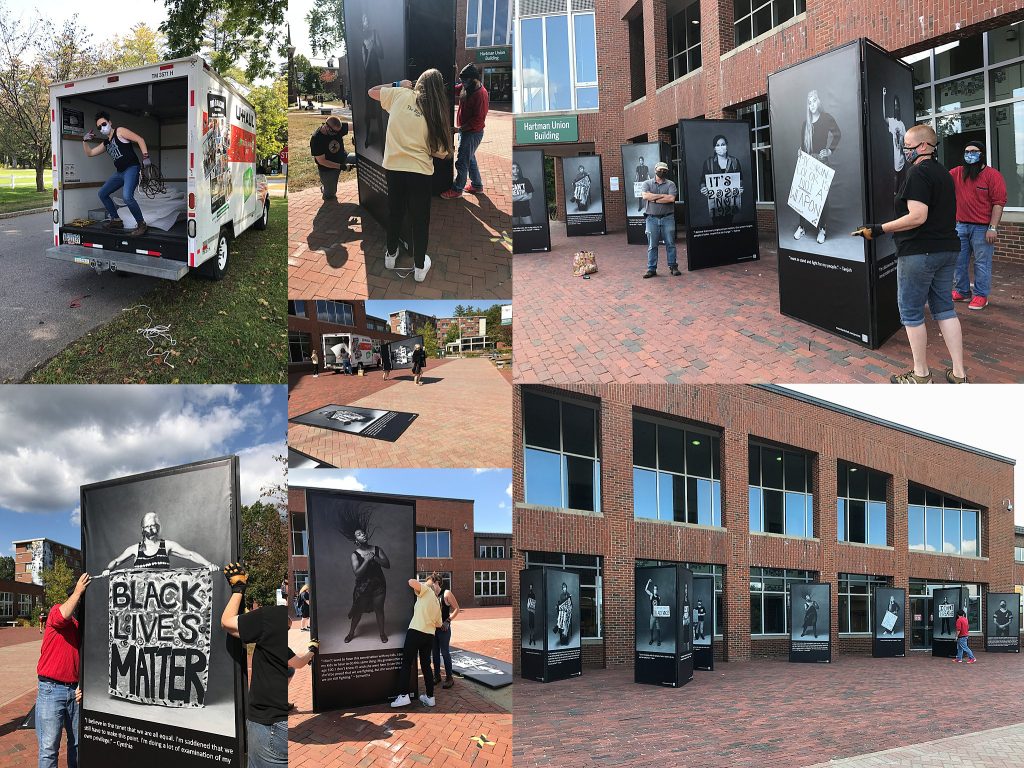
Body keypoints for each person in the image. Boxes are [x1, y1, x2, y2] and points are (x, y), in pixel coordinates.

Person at [853, 124, 967, 383]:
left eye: (907, 146)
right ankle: (959, 374)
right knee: (945, 310)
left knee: (912, 313)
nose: (904, 151)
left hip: (919, 253)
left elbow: (917, 216)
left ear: (924, 146)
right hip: (947, 250)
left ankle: (921, 375)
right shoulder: (944, 174)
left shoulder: (918, 174)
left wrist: (878, 229)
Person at [219, 563, 317, 768]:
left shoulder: (269, 616)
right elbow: (298, 663)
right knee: (288, 669)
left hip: (267, 725)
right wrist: (312, 649)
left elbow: (227, 622)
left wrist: (238, 590)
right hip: (279, 728)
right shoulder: (280, 625)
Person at [369, 70, 454, 283]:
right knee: (420, 219)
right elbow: (442, 152)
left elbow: (372, 92)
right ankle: (418, 267)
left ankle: (390, 255)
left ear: (419, 83)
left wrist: (398, 83)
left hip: (394, 168)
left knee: (395, 212)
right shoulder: (436, 112)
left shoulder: (400, 94)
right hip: (420, 172)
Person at [36, 573, 89, 768]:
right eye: (78, 601)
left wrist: (81, 684)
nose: (79, 607)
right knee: (49, 749)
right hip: (51, 690)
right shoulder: (56, 612)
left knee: (76, 744)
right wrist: (77, 592)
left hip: (74, 692)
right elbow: (64, 615)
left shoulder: (81, 627)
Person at [950, 139, 1007, 310]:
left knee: (982, 263)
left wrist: (993, 227)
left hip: (983, 228)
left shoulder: (993, 175)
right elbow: (940, 179)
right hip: (961, 226)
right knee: (958, 261)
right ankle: (962, 291)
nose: (970, 155)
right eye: (967, 152)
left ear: (982, 154)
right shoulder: (958, 173)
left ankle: (981, 295)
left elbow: (999, 203)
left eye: (974, 151)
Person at [82, 111, 150, 236]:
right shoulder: (106, 143)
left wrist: (145, 156)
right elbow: (90, 153)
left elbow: (140, 139)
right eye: (99, 127)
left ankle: (141, 224)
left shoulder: (120, 131)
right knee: (102, 193)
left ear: (110, 122)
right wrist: (84, 141)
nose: (102, 128)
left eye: (103, 124)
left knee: (127, 197)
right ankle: (116, 220)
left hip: (131, 168)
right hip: (120, 173)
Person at [794, 90, 841, 245]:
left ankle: (822, 228)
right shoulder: (805, 123)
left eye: (814, 101)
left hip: (821, 162)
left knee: (822, 197)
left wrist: (830, 150)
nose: (811, 104)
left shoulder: (827, 118)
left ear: (818, 102)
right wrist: (800, 151)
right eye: (809, 102)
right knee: (804, 195)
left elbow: (837, 134)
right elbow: (802, 145)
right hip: (807, 162)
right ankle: (802, 226)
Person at [102, 512, 218, 573]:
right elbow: (117, 562)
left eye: (153, 526)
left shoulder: (167, 545)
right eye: (147, 527)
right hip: (141, 603)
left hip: (164, 602)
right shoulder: (134, 549)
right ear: (142, 529)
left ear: (157, 527)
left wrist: (208, 564)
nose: (150, 529)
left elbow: (190, 554)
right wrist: (107, 570)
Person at [391, 574, 444, 708]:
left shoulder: (427, 589)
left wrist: (425, 584)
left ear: (430, 581)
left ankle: (404, 696)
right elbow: (439, 624)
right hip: (429, 635)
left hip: (415, 631)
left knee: (407, 663)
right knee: (426, 665)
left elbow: (411, 582)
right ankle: (430, 697)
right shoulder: (437, 601)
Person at [341, 505, 391, 644]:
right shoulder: (355, 554)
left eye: (363, 533)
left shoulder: (376, 549)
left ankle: (382, 634)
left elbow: (387, 565)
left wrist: (374, 558)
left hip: (379, 585)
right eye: (359, 534)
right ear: (356, 540)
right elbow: (357, 573)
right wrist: (367, 560)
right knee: (358, 611)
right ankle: (351, 633)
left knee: (379, 609)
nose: (363, 534)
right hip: (363, 587)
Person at [442, 64, 488, 198]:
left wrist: (459, 129)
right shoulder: (467, 86)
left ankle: (457, 190)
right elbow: (455, 90)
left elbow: (478, 120)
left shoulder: (480, 94)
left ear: (475, 79)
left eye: (466, 81)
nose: (463, 84)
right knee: (470, 159)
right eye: (462, 81)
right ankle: (477, 185)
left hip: (473, 133)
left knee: (462, 160)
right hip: (467, 131)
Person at [641, 161, 680, 279]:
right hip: (651, 218)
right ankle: (651, 269)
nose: (662, 172)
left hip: (668, 218)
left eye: (664, 170)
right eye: (660, 169)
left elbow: (671, 198)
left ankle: (673, 266)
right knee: (652, 245)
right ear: (655, 170)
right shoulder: (647, 183)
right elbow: (645, 196)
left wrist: (654, 198)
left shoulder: (671, 184)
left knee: (670, 244)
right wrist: (662, 196)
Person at [700, 135, 744, 226]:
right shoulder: (708, 163)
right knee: (717, 225)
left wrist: (740, 188)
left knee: (729, 224)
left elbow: (740, 179)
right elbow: (702, 181)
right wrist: (703, 188)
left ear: (727, 146)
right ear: (714, 148)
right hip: (715, 203)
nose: (721, 147)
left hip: (731, 202)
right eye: (718, 145)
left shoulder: (734, 161)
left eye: (723, 144)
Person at [360, 13, 385, 156]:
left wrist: (374, 46)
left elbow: (381, 54)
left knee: (378, 107)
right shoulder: (363, 39)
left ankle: (382, 140)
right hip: (368, 78)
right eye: (364, 20)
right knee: (367, 110)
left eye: (368, 19)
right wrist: (368, 50)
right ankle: (368, 136)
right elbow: (364, 64)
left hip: (376, 77)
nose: (366, 22)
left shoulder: (375, 34)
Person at [431, 573, 461, 689]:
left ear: (437, 582)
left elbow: (457, 609)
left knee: (444, 652)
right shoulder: (431, 594)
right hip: (433, 629)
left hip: (444, 629)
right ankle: (437, 676)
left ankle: (449, 678)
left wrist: (448, 621)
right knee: (434, 653)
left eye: (431, 584)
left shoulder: (446, 593)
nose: (429, 586)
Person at [309, 116, 348, 201]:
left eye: (338, 131)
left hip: (343, 158)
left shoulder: (337, 128)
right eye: (334, 132)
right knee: (330, 195)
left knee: (359, 159)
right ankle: (324, 188)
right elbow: (322, 161)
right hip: (327, 167)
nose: (336, 133)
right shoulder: (316, 139)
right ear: (326, 127)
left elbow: (356, 125)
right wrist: (341, 167)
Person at [882, 86, 908, 196]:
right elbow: (883, 117)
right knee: (896, 175)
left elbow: (906, 140)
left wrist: (903, 145)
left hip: (901, 154)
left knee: (902, 176)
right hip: (894, 155)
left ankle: (901, 194)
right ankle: (895, 194)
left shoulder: (902, 124)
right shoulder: (892, 122)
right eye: (895, 106)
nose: (897, 108)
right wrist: (883, 96)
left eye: (898, 106)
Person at [511, 162, 534, 226]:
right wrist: (522, 195)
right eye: (513, 168)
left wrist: (515, 198)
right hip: (513, 209)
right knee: (516, 229)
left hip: (525, 208)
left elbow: (530, 196)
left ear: (519, 170)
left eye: (517, 168)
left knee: (530, 228)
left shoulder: (525, 180)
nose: (515, 170)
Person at [644, 578, 662, 647]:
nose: (655, 590)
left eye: (656, 589)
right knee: (651, 628)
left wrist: (661, 612)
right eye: (654, 589)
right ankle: (651, 639)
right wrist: (648, 582)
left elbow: (660, 606)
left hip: (657, 615)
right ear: (653, 590)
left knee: (658, 628)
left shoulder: (659, 597)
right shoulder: (651, 595)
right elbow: (645, 589)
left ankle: (658, 640)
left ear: (657, 590)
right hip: (652, 615)